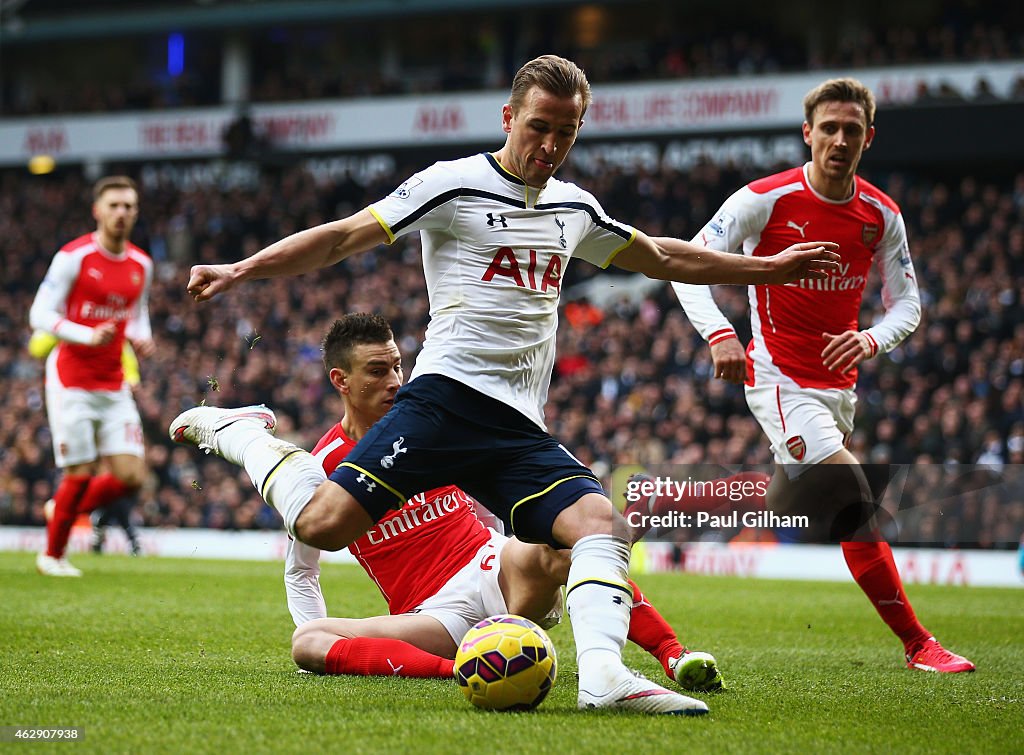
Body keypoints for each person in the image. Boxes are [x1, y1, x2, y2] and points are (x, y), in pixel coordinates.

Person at [170, 55, 839, 714]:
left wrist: (767, 270)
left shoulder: (575, 208)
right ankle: (246, 435)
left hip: (516, 425)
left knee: (601, 523)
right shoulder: (452, 185)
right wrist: (241, 269)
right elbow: (344, 237)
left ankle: (605, 677)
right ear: (509, 116)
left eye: (567, 132)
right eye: (539, 126)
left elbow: (663, 254)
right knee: (322, 524)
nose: (551, 145)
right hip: (442, 401)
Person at [669, 77, 974, 673]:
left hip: (839, 388)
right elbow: (687, 265)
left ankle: (686, 504)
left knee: (790, 501)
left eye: (851, 130)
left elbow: (907, 305)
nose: (839, 139)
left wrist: (870, 338)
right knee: (854, 496)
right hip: (778, 377)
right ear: (808, 133)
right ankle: (918, 644)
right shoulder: (764, 198)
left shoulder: (881, 215)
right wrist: (721, 334)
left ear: (868, 138)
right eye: (828, 128)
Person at [286, 314, 723, 697]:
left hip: (494, 568)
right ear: (340, 380)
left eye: (398, 366)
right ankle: (460, 668)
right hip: (436, 617)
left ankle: (674, 656)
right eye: (377, 371)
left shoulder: (430, 425)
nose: (395, 382)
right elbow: (302, 568)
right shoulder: (321, 468)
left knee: (570, 550)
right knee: (308, 641)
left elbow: (494, 487)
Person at [29, 175, 154, 576]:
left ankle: (63, 506)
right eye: (114, 205)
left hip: (113, 381)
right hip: (71, 380)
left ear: (135, 212)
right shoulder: (74, 257)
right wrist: (85, 333)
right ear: (97, 210)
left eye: (128, 206)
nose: (121, 213)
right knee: (80, 472)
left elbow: (136, 313)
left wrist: (141, 337)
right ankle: (52, 556)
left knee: (131, 476)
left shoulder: (141, 264)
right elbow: (40, 315)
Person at [28, 329, 144, 557]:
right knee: (84, 473)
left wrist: (131, 377)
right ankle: (57, 552)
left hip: (111, 398)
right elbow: (37, 347)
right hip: (72, 396)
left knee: (128, 475)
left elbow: (121, 346)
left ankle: (72, 513)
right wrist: (75, 330)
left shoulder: (110, 314)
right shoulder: (70, 312)